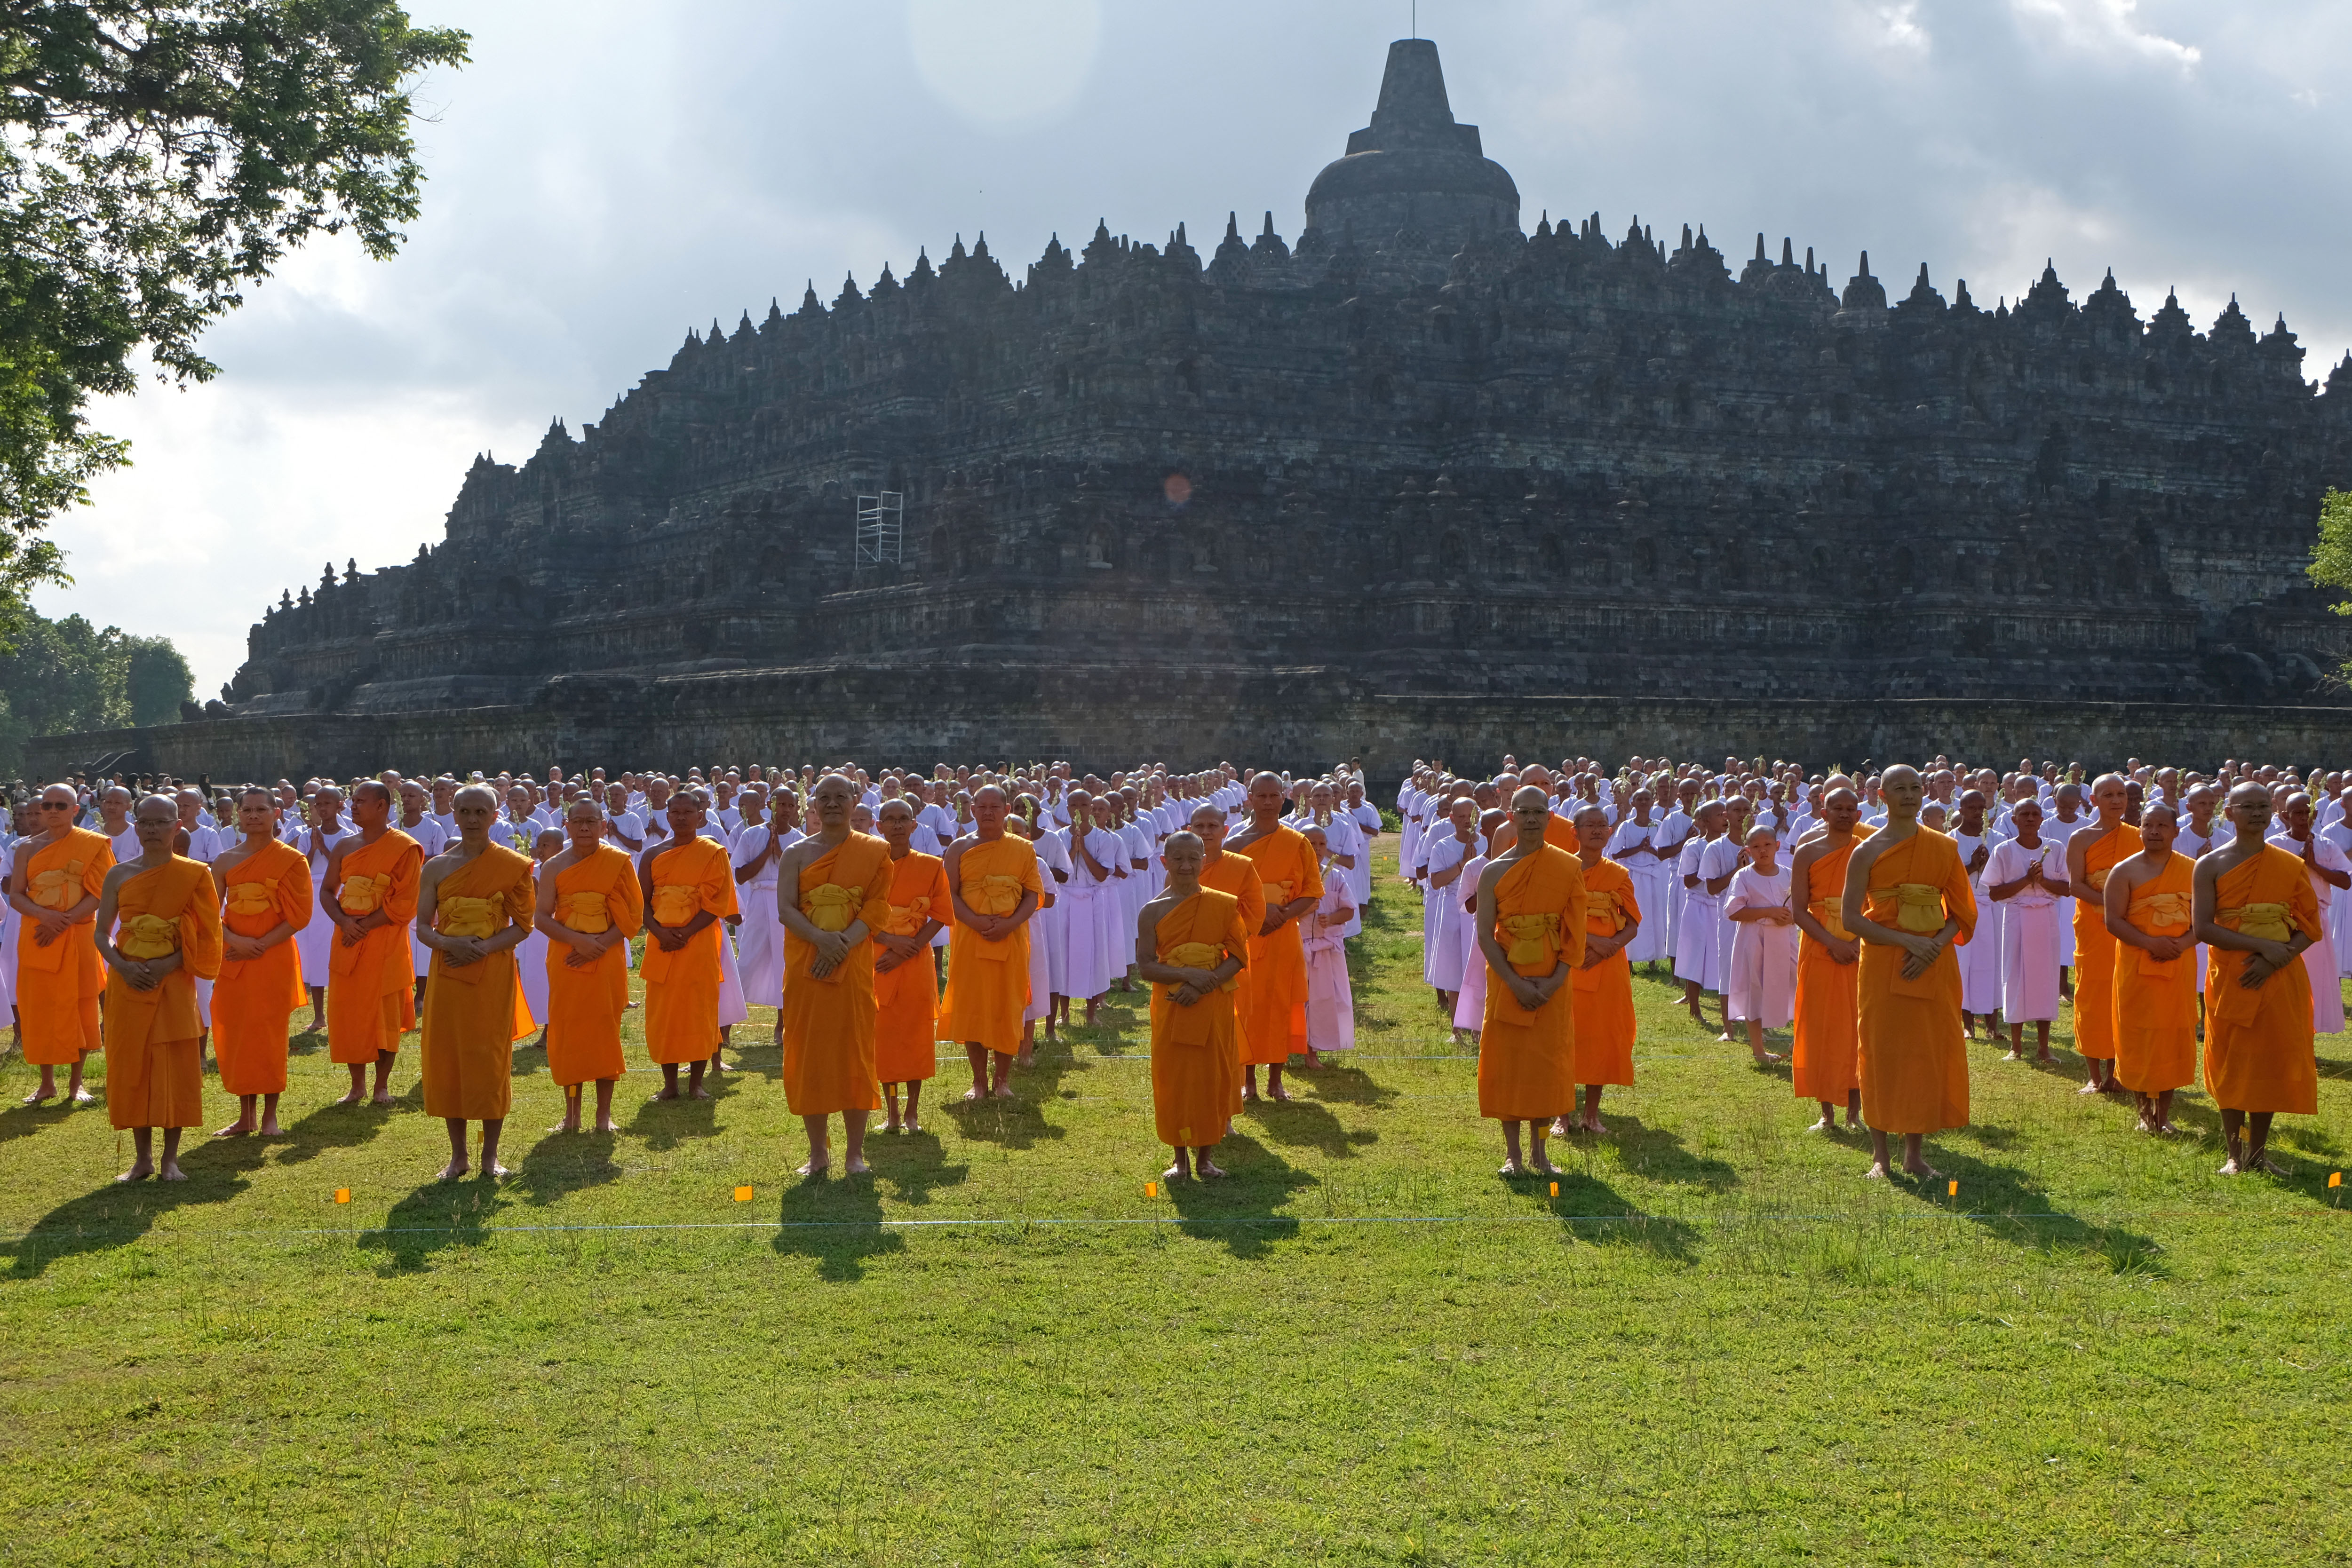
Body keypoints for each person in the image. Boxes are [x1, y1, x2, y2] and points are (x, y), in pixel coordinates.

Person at [1842, 764, 1976, 1182]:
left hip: (1933, 962)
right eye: (1899, 788)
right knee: (1880, 1052)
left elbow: (1962, 912)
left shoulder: (1943, 847)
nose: (1909, 795)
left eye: (1916, 787)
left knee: (1924, 1052)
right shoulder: (1866, 851)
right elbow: (1851, 919)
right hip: (1885, 961)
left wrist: (1933, 946)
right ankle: (1880, 1155)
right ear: (1882, 796)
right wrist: (1906, 942)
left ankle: (1914, 1155)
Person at [91, 795, 223, 1180]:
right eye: (145, 822)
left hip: (174, 981)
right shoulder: (118, 874)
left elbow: (208, 936)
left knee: (174, 1065)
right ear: (136, 826)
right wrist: (121, 966)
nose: (152, 830)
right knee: (134, 1063)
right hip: (128, 982)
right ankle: (143, 1159)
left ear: (177, 827)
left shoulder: (196, 874)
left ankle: (171, 1160)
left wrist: (168, 964)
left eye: (161, 822)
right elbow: (101, 933)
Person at [2194, 781, 2320, 1176]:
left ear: (2272, 811)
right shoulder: (2210, 864)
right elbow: (2203, 928)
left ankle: (2258, 1153)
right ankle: (2234, 1153)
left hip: (2279, 975)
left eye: (2263, 806)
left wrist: (2275, 959)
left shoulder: (2288, 864)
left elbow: (2310, 926)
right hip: (2232, 974)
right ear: (2229, 812)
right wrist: (2261, 948)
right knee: (2231, 1062)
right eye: (2247, 806)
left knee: (2267, 1061)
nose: (2257, 813)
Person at [415, 784, 536, 1180]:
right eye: (465, 812)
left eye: (481, 812)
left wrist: (482, 948)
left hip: (492, 972)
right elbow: (422, 927)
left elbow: (524, 926)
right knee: (450, 1056)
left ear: (495, 817)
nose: (472, 820)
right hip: (448, 970)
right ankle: (459, 1156)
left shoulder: (512, 865)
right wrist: (450, 943)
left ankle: (490, 1157)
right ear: (454, 814)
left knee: (489, 1057)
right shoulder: (436, 868)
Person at [773, 773, 891, 1176]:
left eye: (841, 796)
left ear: (855, 802)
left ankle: (855, 1154)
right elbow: (786, 909)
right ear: (814, 806)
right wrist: (820, 940)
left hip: (852, 962)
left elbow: (877, 908)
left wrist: (840, 945)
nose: (833, 804)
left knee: (854, 1052)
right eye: (824, 797)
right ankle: (817, 1153)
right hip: (807, 964)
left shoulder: (874, 851)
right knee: (812, 1053)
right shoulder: (796, 853)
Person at [1471, 785, 1586, 1177]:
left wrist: (1555, 981)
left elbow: (1576, 934)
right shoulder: (1493, 871)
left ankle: (1541, 1154)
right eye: (1524, 812)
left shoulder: (1567, 867)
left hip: (1553, 980)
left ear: (1551, 818)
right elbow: (1486, 935)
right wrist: (1514, 983)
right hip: (1507, 979)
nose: (1532, 819)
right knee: (1508, 1063)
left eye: (1539, 812)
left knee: (1545, 1066)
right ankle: (1513, 1156)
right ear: (1512, 817)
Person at [1136, 830, 1250, 1181]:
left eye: (1193, 858)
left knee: (1210, 1077)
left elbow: (1239, 957)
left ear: (1204, 860)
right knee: (1175, 1079)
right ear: (1164, 862)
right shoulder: (1151, 911)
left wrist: (1204, 984)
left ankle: (1205, 1159)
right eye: (1178, 859)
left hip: (1212, 1003)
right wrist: (1186, 976)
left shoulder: (1223, 904)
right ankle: (1179, 1160)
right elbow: (1146, 966)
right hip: (1172, 1003)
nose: (1186, 866)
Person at [535, 799, 642, 1134]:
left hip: (606, 956)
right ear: (567, 826)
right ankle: (572, 1115)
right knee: (569, 1033)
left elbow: (633, 916)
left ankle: (603, 1115)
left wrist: (597, 946)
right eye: (578, 821)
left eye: (591, 821)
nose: (584, 827)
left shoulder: (617, 862)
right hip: (567, 957)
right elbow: (541, 917)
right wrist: (577, 942)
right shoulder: (553, 866)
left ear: (603, 826)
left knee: (605, 1031)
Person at [209, 787, 310, 1137]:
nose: (253, 816)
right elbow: (208, 914)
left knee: (269, 1034)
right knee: (238, 1031)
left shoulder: (292, 860)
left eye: (261, 810)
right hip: (234, 957)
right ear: (238, 814)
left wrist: (260, 944)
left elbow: (300, 916)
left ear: (275, 814)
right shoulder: (225, 862)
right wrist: (236, 941)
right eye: (247, 810)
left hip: (273, 956)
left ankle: (270, 1117)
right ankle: (245, 1116)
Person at [9, 782, 113, 1106]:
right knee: (41, 1007)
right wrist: (45, 916)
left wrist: (62, 921)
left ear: (75, 810)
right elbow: (16, 895)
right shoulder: (26, 849)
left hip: (77, 934)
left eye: (60, 806)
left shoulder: (93, 844)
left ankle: (76, 1084)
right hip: (39, 936)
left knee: (81, 1005)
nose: (53, 811)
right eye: (48, 806)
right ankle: (46, 1084)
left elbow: (102, 893)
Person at [321, 781, 421, 1107]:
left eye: (360, 801)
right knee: (350, 1011)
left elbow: (405, 903)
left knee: (385, 1013)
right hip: (348, 939)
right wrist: (345, 922)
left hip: (385, 940)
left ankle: (381, 1086)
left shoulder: (404, 848)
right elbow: (327, 891)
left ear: (381, 806)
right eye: (352, 800)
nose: (353, 806)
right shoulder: (344, 847)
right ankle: (357, 1086)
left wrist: (361, 926)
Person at [1226, 771, 1322, 1102]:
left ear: (1285, 798)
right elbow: (1223, 894)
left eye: (1274, 796)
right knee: (1248, 1004)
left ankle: (1276, 1081)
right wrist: (1258, 914)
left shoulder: (1297, 843)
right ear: (1249, 798)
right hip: (1246, 934)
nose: (1268, 802)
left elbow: (1312, 892)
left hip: (1283, 933)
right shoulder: (1235, 844)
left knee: (1281, 1004)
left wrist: (1283, 914)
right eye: (1261, 796)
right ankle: (1248, 1081)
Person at [2104, 802, 2197, 1136]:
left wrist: (2179, 945)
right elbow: (2113, 921)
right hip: (2137, 964)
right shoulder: (2123, 871)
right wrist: (2150, 943)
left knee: (2172, 1033)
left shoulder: (2192, 870)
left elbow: (2204, 921)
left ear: (2176, 831)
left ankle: (2164, 1116)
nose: (2154, 831)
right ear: (2140, 830)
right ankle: (2145, 1115)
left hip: (2178, 963)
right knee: (2139, 1034)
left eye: (2162, 826)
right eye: (2148, 825)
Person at [638, 790, 738, 1101]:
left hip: (699, 941)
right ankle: (670, 1085)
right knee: (664, 1013)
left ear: (700, 816)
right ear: (667, 816)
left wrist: (686, 933)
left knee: (700, 1010)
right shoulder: (652, 854)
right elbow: (641, 903)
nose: (681, 817)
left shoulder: (712, 852)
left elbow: (717, 903)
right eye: (676, 812)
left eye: (688, 812)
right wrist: (660, 933)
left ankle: (696, 1084)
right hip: (661, 942)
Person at [1788, 785, 1862, 1132]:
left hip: (1860, 947)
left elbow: (1874, 905)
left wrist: (1856, 943)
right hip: (1819, 946)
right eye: (1838, 808)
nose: (1844, 814)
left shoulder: (1866, 852)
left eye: (1850, 809)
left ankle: (1855, 1112)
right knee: (1821, 1025)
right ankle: (1826, 1113)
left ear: (1859, 815)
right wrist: (1832, 943)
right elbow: (1798, 910)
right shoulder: (1807, 852)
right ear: (1824, 813)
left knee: (1857, 1028)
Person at [873, 798, 950, 1130]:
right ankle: (892, 1113)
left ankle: (912, 1112)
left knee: (916, 1034)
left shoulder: (932, 866)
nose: (897, 825)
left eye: (904, 819)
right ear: (879, 826)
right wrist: (890, 942)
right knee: (884, 1036)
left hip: (916, 958)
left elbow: (941, 914)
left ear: (914, 825)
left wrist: (910, 947)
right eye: (890, 819)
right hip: (878, 958)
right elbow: (857, 914)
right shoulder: (869, 867)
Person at [1562, 804, 1637, 1135]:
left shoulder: (1618, 874)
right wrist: (1593, 942)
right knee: (1565, 1037)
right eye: (1589, 825)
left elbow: (1632, 924)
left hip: (1608, 966)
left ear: (1609, 832)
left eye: (1602, 825)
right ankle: (1562, 1116)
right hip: (1568, 962)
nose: (1596, 830)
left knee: (1602, 1037)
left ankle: (1591, 1115)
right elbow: (1556, 918)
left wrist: (1611, 947)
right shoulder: (1562, 869)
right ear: (1574, 832)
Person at [2066, 774, 2137, 1096]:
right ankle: (2094, 1076)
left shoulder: (2137, 837)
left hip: (2128, 927)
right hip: (2094, 928)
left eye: (2121, 794)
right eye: (2108, 795)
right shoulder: (2081, 838)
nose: (2116, 800)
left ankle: (2118, 1073)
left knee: (2124, 995)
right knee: (2092, 997)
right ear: (2093, 800)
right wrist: (2111, 902)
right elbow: (2076, 885)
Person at [1984, 798, 2064, 1063]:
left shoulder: (2055, 848)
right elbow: (1995, 893)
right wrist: (2027, 880)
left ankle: (2044, 1048)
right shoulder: (2004, 851)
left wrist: (2043, 880)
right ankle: (2016, 1046)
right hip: (2017, 917)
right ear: (2014, 820)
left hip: (2046, 918)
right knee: (2015, 976)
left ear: (2042, 819)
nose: (2030, 819)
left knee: (2046, 978)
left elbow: (2067, 888)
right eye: (2024, 814)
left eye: (2035, 814)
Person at [1723, 824, 1794, 1066]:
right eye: (1756, 847)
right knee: (1755, 990)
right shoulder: (1743, 876)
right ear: (1748, 850)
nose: (1763, 851)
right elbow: (1734, 912)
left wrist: (1789, 918)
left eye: (1767, 845)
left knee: (1796, 986)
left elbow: (1802, 909)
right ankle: (1759, 1052)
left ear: (1778, 846)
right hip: (1754, 939)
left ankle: (1798, 1042)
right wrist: (1769, 912)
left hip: (1785, 938)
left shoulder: (1789, 874)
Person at [1299, 824, 1356, 1063]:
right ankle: (1294, 1046)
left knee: (1324, 1000)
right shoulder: (1293, 876)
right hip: (1300, 947)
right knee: (1300, 1000)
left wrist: (1331, 919)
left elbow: (1349, 910)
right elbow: (1282, 912)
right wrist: (1303, 908)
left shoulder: (1335, 876)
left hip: (1328, 949)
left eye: (1322, 844)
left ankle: (1314, 1050)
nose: (1317, 849)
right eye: (1311, 844)